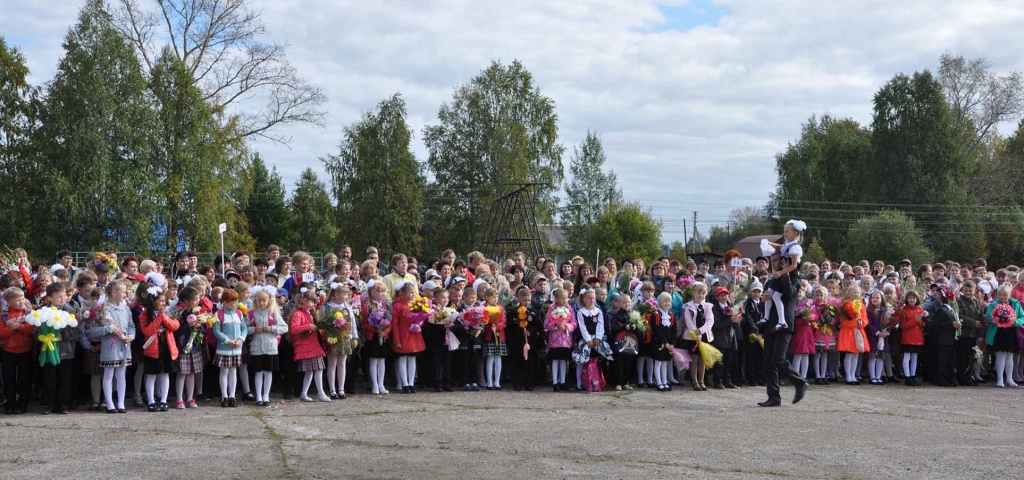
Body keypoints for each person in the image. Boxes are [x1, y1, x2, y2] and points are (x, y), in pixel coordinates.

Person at [758, 255, 807, 407]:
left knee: (778, 359)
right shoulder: (771, 280)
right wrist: (763, 300)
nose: (772, 264)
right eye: (771, 262)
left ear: (785, 262)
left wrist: (785, 273)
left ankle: (799, 382)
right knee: (768, 362)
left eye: (775, 261)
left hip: (784, 324)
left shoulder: (794, 277)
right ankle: (773, 396)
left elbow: (791, 294)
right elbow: (766, 302)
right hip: (770, 324)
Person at [96, 280, 135, 414]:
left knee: (121, 375)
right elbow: (97, 328)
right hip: (110, 345)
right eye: (123, 292)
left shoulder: (126, 308)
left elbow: (131, 326)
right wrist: (109, 328)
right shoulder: (104, 308)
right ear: (114, 292)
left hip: (124, 346)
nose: (125, 294)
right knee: (108, 374)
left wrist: (130, 336)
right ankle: (110, 403)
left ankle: (121, 402)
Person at [138, 286, 179, 412]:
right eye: (161, 301)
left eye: (164, 301)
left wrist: (164, 317)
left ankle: (163, 400)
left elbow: (175, 326)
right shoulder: (144, 314)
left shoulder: (168, 311)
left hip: (167, 346)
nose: (163, 303)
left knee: (165, 374)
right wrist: (158, 318)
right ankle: (151, 400)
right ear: (153, 302)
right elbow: (147, 330)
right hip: (152, 348)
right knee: (151, 375)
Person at [248, 287, 288, 406]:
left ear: (269, 301)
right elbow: (244, 328)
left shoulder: (273, 314)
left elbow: (285, 327)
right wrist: (253, 329)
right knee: (258, 372)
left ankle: (266, 396)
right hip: (256, 347)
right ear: (255, 301)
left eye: (264, 301)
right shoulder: (251, 314)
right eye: (259, 300)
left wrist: (272, 328)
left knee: (268, 372)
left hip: (271, 347)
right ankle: (259, 396)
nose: (261, 303)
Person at [289, 287, 329, 402]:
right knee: (317, 369)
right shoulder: (298, 313)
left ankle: (304, 393)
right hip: (306, 346)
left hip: (313, 345)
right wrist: (308, 326)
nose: (313, 304)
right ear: (303, 300)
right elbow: (293, 329)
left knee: (313, 370)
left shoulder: (311, 313)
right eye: (311, 301)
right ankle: (320, 393)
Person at [320, 284, 359, 399]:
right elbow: (323, 323)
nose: (347, 296)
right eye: (345, 294)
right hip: (332, 338)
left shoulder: (347, 307)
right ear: (336, 294)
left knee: (342, 363)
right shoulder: (327, 307)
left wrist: (354, 337)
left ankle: (341, 389)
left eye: (347, 294)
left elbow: (352, 323)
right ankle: (332, 389)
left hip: (345, 338)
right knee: (332, 363)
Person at [1, 287, 35, 414]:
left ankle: (22, 403)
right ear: (8, 302)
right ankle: (10, 403)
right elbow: (1, 333)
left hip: (25, 350)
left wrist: (19, 326)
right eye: (18, 300)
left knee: (24, 378)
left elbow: (32, 329)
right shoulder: (3, 315)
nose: (22, 302)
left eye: (23, 299)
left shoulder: (28, 313)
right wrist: (11, 329)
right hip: (8, 351)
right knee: (8, 379)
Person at [172, 286, 206, 409]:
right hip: (183, 346)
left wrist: (198, 326)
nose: (197, 302)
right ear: (186, 301)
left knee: (192, 373)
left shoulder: (198, 313)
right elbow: (177, 330)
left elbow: (204, 329)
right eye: (195, 299)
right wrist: (188, 325)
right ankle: (180, 399)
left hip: (194, 347)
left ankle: (190, 397)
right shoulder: (179, 314)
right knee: (182, 373)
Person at [214, 289, 248, 407]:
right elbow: (217, 331)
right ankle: (224, 396)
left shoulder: (239, 313)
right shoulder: (219, 314)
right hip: (224, 348)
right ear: (224, 302)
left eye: (236, 301)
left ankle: (232, 396)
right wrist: (227, 340)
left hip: (237, 348)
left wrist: (240, 339)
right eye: (232, 302)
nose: (235, 304)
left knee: (233, 371)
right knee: (224, 372)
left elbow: (244, 328)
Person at [985, 285, 1024, 388]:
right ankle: (1000, 379)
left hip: (1011, 332)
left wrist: (1014, 322)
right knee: (1000, 355)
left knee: (1010, 356)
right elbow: (989, 316)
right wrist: (997, 319)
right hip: (998, 332)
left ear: (1009, 294)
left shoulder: (1015, 303)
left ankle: (1010, 379)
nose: (1002, 297)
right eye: (1000, 294)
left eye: (1005, 294)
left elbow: (1022, 316)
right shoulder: (993, 304)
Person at [391, 281, 425, 393]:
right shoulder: (397, 305)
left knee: (412, 358)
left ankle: (411, 383)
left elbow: (421, 317)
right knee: (402, 358)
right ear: (403, 293)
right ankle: (404, 384)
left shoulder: (416, 304)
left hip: (414, 334)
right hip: (403, 335)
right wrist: (396, 339)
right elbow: (394, 324)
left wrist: (419, 323)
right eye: (410, 293)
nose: (412, 295)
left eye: (414, 293)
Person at [681, 282, 715, 391]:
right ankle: (694, 381)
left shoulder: (708, 306)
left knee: (703, 359)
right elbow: (689, 322)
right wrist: (696, 333)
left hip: (704, 335)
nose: (700, 295)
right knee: (694, 358)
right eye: (698, 293)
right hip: (692, 336)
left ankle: (702, 381)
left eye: (703, 293)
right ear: (693, 293)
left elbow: (710, 321)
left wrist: (701, 331)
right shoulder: (688, 306)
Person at [361, 279, 392, 395]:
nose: (382, 294)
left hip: (383, 336)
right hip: (373, 336)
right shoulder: (367, 306)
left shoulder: (385, 305)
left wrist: (385, 330)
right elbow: (365, 323)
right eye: (379, 291)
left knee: (382, 360)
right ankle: (374, 384)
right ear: (372, 292)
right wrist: (376, 329)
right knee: (373, 360)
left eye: (383, 292)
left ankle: (381, 384)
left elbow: (390, 321)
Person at [837, 285, 870, 385]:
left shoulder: (862, 305)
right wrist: (855, 323)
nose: (856, 294)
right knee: (849, 354)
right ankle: (848, 376)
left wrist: (862, 323)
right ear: (848, 293)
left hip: (858, 331)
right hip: (848, 332)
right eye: (853, 292)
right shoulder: (845, 305)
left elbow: (865, 319)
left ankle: (853, 375)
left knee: (856, 354)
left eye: (857, 292)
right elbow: (843, 321)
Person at [894, 290, 927, 386]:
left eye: (914, 298)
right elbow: (903, 325)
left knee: (914, 357)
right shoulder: (903, 310)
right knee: (907, 357)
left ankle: (913, 376)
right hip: (907, 337)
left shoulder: (920, 309)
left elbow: (922, 324)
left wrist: (921, 320)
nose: (912, 300)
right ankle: (907, 377)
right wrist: (915, 320)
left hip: (918, 337)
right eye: (910, 298)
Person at [545, 288, 575, 392]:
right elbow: (546, 324)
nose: (565, 300)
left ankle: (563, 381)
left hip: (565, 340)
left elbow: (574, 323)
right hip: (555, 340)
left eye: (566, 298)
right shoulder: (551, 309)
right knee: (555, 360)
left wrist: (566, 326)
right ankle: (555, 382)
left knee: (563, 360)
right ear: (556, 298)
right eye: (563, 298)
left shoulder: (570, 309)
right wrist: (556, 326)